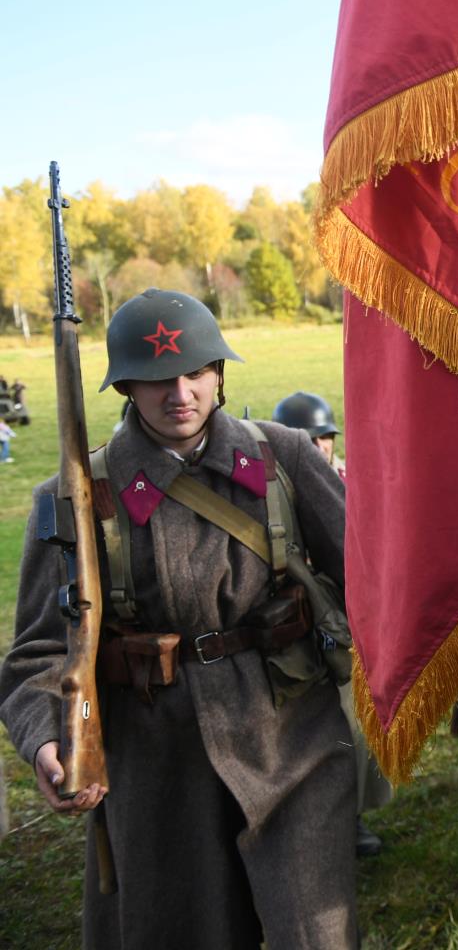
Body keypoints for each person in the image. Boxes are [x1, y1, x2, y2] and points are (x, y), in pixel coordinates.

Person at [0, 289, 356, 947]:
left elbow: (369, 575)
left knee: (316, 929)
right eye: (159, 379)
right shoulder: (75, 496)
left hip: (291, 731)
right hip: (156, 749)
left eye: (196, 372)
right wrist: (47, 736)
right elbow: (40, 652)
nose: (181, 393)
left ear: (220, 373)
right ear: (126, 387)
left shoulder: (283, 457)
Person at [273, 390, 394, 855]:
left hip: (345, 621)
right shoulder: (270, 487)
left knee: (356, 725)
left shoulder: (352, 479)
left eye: (324, 437)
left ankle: (352, 816)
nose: (318, 446)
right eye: (309, 438)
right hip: (287, 623)